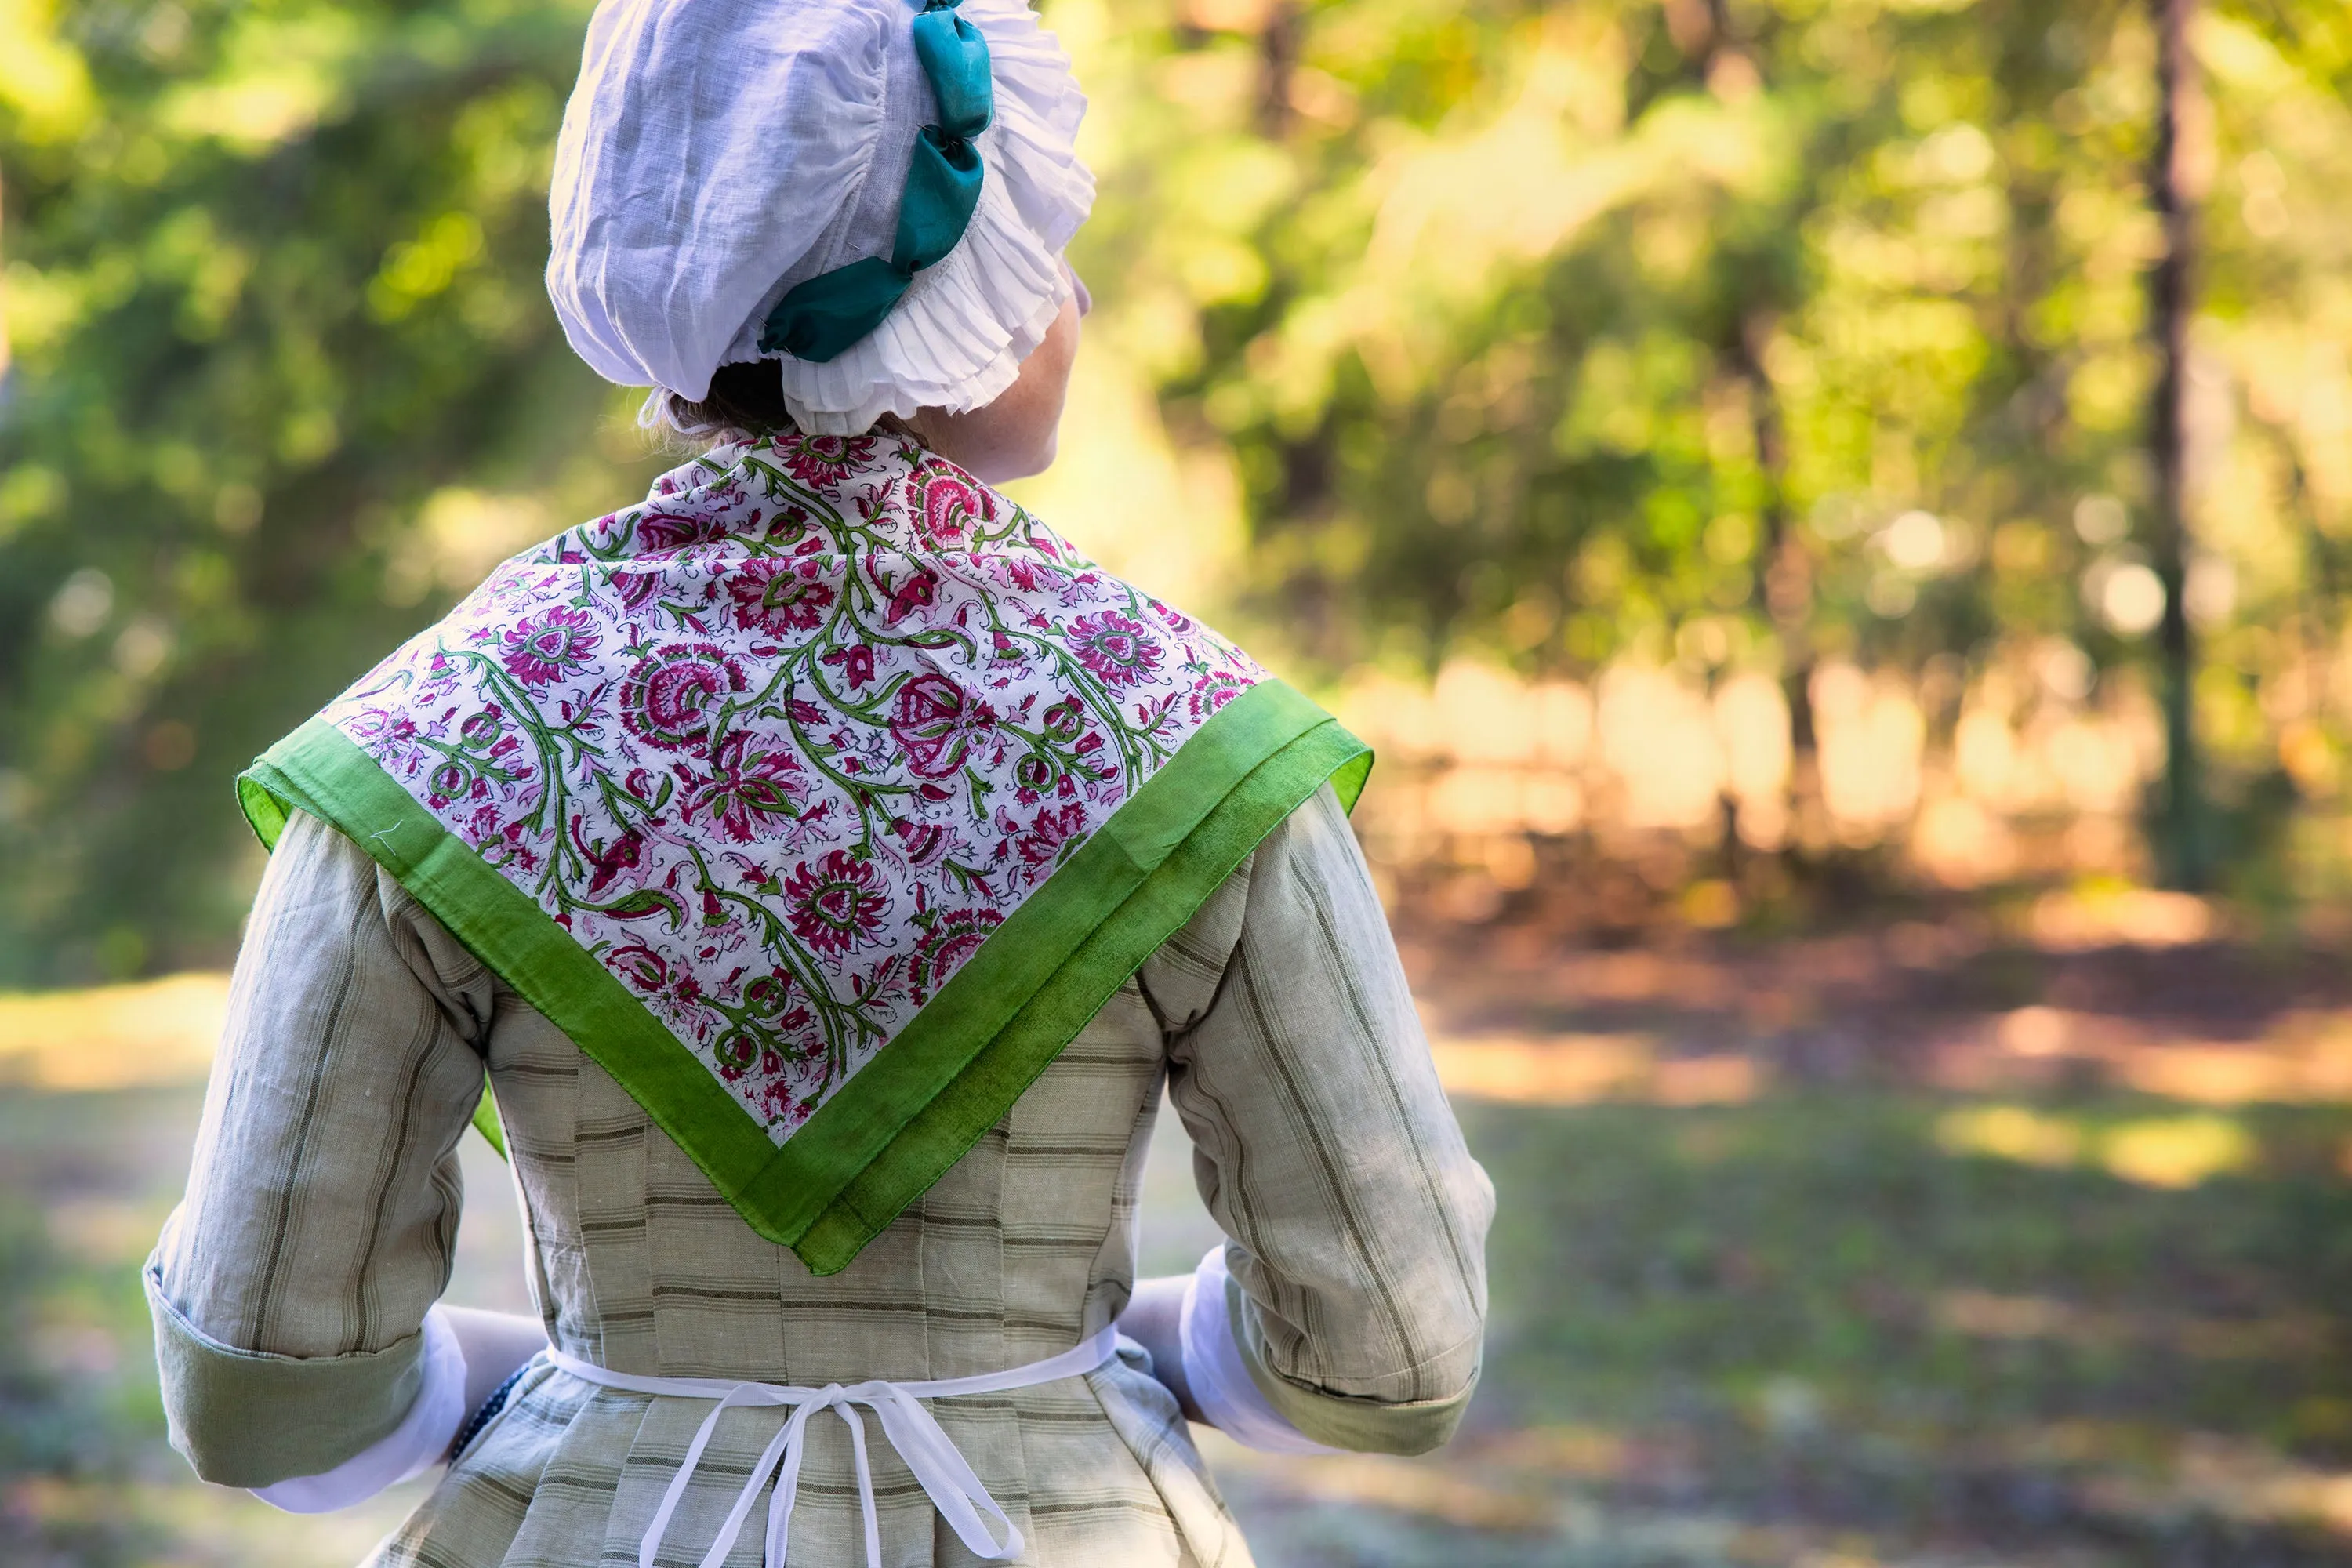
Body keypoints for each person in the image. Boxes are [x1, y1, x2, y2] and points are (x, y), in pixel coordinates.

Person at [143, 0, 1494, 1563]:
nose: (1079, 296)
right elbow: (1395, 1344)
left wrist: (571, 1385)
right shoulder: (1185, 734)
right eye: (1044, 249)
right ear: (968, 306)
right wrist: (1099, 1371)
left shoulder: (447, 732)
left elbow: (269, 1387)